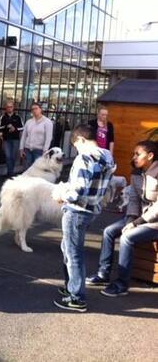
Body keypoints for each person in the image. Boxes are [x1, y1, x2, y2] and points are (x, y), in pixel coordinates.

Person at [53, 124, 115, 312]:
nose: (76, 150)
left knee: (73, 253)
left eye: (76, 145)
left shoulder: (83, 158)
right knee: (68, 247)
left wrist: (61, 195)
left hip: (77, 211)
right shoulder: (107, 155)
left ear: (80, 140)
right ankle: (72, 286)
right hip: (92, 210)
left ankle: (76, 297)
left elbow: (78, 189)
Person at [86, 140, 157, 297]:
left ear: (150, 156)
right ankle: (103, 274)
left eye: (138, 154)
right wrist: (131, 219)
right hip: (139, 218)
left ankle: (122, 283)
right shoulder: (137, 173)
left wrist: (137, 223)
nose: (134, 157)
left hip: (154, 224)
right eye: (134, 153)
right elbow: (133, 199)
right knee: (109, 231)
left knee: (127, 238)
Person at [19, 103, 54, 169]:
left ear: (40, 109)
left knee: (37, 170)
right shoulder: (29, 122)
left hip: (39, 150)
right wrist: (21, 148)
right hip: (27, 149)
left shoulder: (47, 122)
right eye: (32, 109)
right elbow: (24, 136)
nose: (34, 110)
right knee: (27, 169)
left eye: (36, 108)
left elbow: (48, 137)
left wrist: (45, 150)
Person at [0, 100, 24, 177]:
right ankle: (11, 173)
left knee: (13, 156)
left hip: (15, 139)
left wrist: (15, 129)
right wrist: (6, 126)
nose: (9, 108)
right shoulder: (3, 117)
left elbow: (22, 127)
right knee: (8, 156)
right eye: (8, 107)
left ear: (13, 108)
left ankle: (10, 172)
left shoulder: (18, 117)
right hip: (6, 139)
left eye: (11, 107)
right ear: (6, 108)